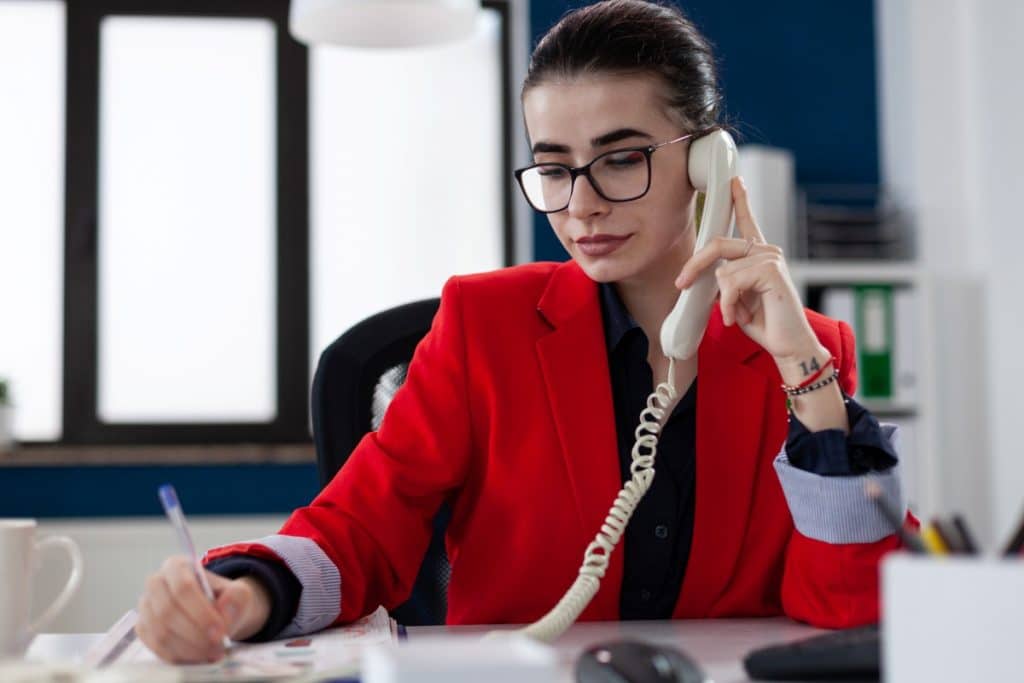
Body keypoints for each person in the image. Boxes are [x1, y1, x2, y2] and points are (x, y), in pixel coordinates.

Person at [135, 0, 904, 663]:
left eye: (621, 159)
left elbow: (852, 612)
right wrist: (242, 594)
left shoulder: (810, 353)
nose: (582, 205)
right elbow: (362, 526)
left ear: (707, 161)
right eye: (555, 166)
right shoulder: (483, 325)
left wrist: (805, 373)